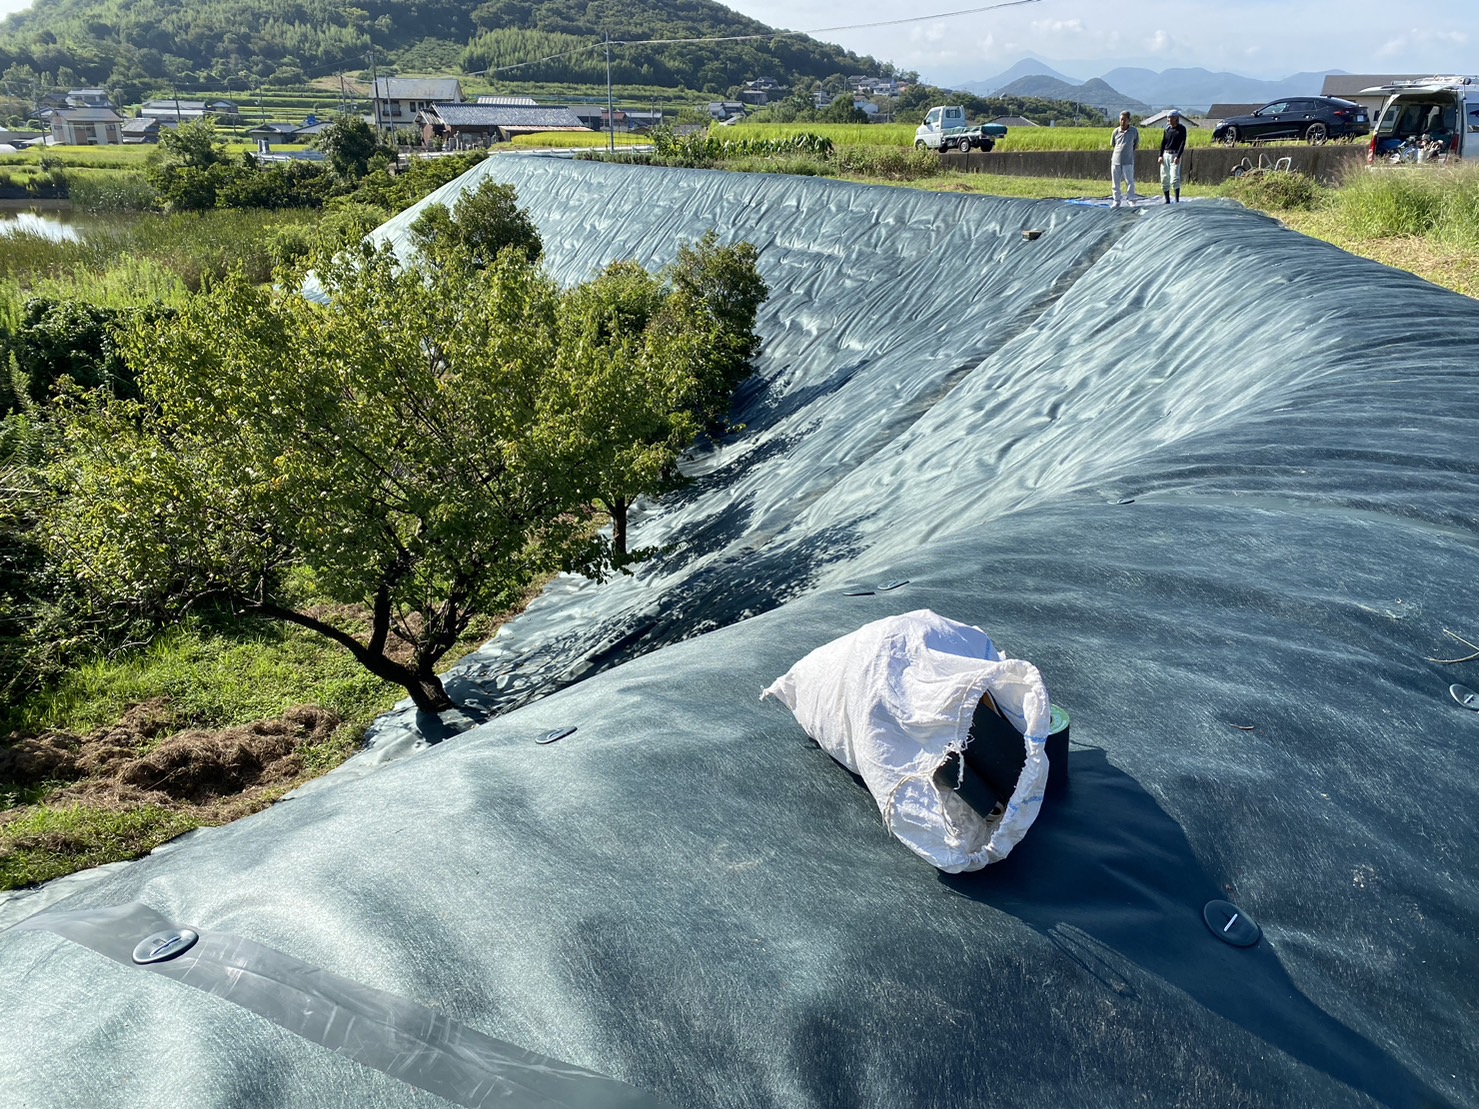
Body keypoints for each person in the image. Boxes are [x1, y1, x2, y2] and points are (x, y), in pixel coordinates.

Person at [1110, 110, 1141, 207]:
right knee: (1116, 182)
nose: (1122, 122)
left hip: (1128, 160)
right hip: (1116, 160)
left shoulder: (1134, 131)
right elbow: (1113, 144)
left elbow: (1136, 144)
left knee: (1129, 181)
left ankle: (1131, 199)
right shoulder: (1116, 131)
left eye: (1124, 120)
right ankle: (1116, 200)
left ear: (1129, 120)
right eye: (1121, 120)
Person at [1160, 110, 1188, 203]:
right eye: (1168, 118)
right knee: (1164, 178)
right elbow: (1163, 142)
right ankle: (1167, 200)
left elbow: (1182, 143)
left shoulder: (1181, 129)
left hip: (1175, 155)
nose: (1169, 119)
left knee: (1174, 178)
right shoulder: (1167, 129)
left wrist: (1178, 156)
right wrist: (1160, 155)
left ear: (1176, 118)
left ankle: (1177, 200)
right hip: (1165, 155)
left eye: (1171, 117)